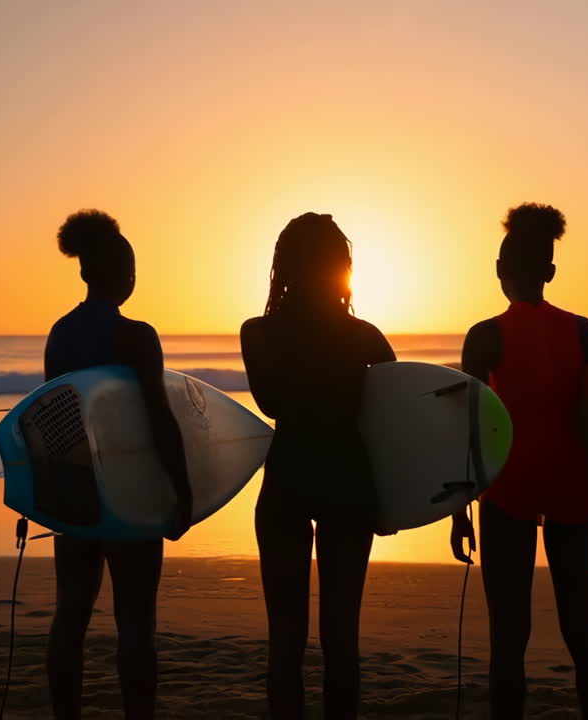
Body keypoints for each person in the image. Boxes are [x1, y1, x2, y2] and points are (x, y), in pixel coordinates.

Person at [449, 203, 588, 719]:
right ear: (550, 271)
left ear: (500, 272)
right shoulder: (584, 331)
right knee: (582, 624)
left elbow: (470, 429)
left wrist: (459, 508)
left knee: (509, 634)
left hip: (508, 490)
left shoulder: (484, 336)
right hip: (574, 489)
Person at [241, 213, 396, 720]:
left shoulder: (258, 333)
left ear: (283, 266)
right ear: (341, 267)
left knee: (285, 639)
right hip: (350, 481)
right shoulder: (365, 337)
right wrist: (395, 495)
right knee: (340, 639)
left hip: (287, 479)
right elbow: (399, 418)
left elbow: (270, 402)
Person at [43, 209, 193, 720]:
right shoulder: (137, 335)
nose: (132, 277)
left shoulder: (60, 334)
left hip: (76, 493)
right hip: (130, 495)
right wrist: (183, 490)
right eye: (131, 269)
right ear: (122, 277)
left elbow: (55, 419)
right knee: (135, 624)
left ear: (84, 273)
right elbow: (160, 419)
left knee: (70, 617)